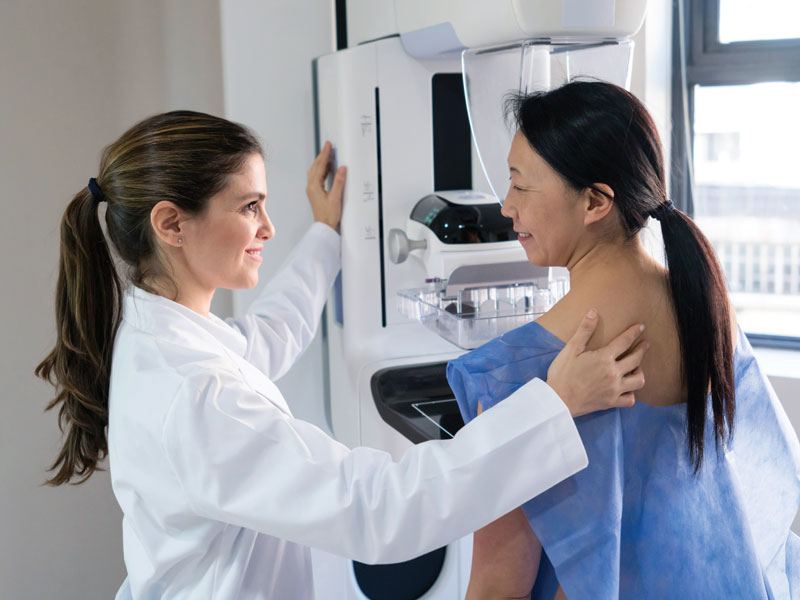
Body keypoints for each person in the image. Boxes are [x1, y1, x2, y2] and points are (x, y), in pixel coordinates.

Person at [35, 110, 648, 600]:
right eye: (250, 207)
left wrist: (325, 236)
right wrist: (556, 405)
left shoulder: (159, 336)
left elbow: (263, 341)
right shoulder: (195, 393)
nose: (268, 227)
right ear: (172, 223)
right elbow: (376, 509)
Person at [449, 81, 800, 599]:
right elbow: (767, 490)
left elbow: (497, 590)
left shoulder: (513, 376)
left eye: (521, 186)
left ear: (595, 202)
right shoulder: (707, 311)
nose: (506, 206)